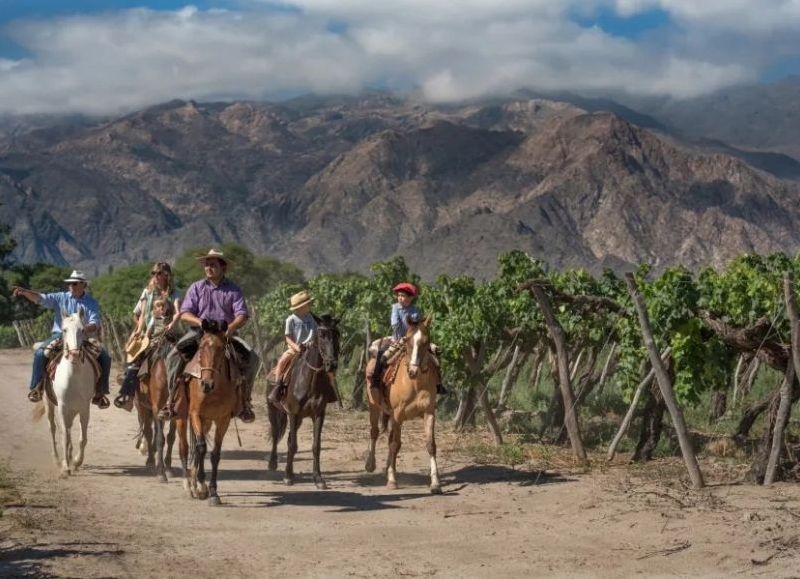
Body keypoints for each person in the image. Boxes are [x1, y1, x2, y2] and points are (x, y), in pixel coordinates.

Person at [158, 249, 259, 423]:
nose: (208, 268)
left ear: (223, 268)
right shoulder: (196, 287)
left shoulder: (233, 290)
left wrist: (231, 327)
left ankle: (245, 402)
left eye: (213, 265)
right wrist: (199, 322)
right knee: (173, 356)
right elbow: (185, 313)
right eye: (207, 265)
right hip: (199, 332)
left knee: (253, 359)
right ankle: (171, 401)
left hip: (225, 333)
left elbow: (242, 314)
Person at [12, 270, 112, 408]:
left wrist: (83, 328)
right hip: (60, 335)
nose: (71, 285)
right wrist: (25, 292)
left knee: (105, 357)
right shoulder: (60, 297)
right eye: (69, 283)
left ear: (83, 285)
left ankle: (100, 393)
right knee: (40, 353)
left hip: (82, 337)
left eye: (74, 283)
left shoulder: (91, 302)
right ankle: (37, 388)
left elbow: (95, 322)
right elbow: (41, 298)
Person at [114, 262, 181, 409]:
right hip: (149, 334)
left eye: (159, 273)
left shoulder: (175, 293)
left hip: (170, 334)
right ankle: (128, 395)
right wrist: (140, 329)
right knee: (135, 360)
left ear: (166, 275)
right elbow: (139, 314)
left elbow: (178, 312)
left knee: (188, 356)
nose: (155, 276)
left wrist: (171, 323)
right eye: (153, 273)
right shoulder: (147, 292)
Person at [370, 282, 446, 395]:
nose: (400, 298)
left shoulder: (416, 310)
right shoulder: (395, 308)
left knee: (435, 355)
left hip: (414, 340)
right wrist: (404, 336)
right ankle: (375, 381)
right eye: (399, 295)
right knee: (382, 353)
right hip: (397, 339)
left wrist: (416, 332)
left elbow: (419, 326)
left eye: (403, 296)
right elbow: (395, 324)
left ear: (411, 298)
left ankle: (438, 384)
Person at [267, 290, 317, 408]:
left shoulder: (311, 318)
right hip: (294, 349)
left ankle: (329, 387)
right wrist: (296, 347)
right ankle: (278, 386)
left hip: (311, 348)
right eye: (308, 304)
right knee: (281, 362)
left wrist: (312, 342)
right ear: (301, 307)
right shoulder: (291, 319)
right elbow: (288, 338)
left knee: (325, 363)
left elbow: (315, 332)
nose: (310, 305)